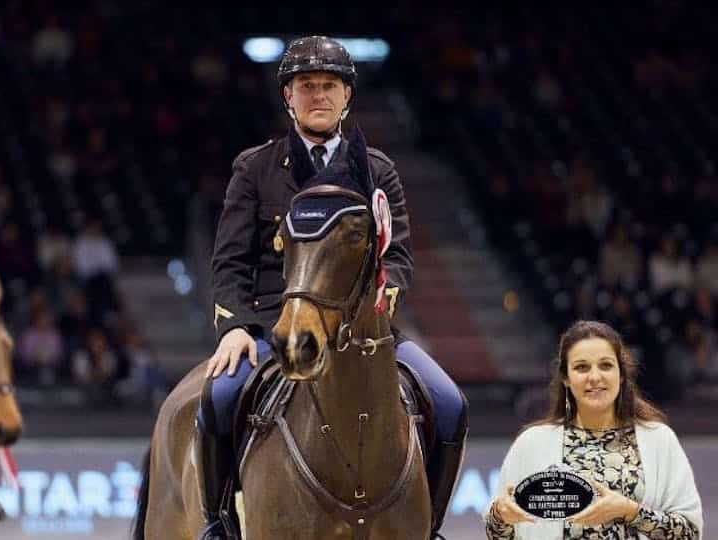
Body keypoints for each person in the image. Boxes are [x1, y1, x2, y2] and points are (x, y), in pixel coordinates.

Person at [198, 36, 467, 540]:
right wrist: (233, 328)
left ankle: (427, 526)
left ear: (347, 96)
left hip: (360, 323)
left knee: (450, 403)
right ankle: (217, 522)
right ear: (288, 97)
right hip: (277, 321)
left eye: (329, 85)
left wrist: (379, 308)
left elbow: (398, 256)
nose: (317, 94)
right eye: (306, 86)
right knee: (218, 396)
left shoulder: (377, 170)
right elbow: (231, 261)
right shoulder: (254, 168)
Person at [485, 320, 703, 539]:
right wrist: (499, 515)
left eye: (606, 365)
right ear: (566, 378)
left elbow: (691, 533)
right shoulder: (531, 443)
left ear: (622, 374)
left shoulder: (659, 440)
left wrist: (630, 511)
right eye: (581, 367)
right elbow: (498, 535)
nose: (595, 377)